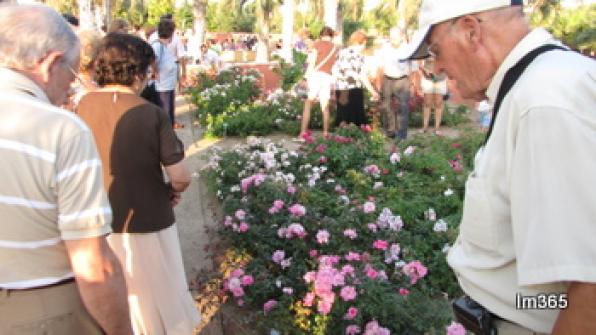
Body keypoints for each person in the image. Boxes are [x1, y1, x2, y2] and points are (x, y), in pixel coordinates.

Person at [403, 0, 596, 334]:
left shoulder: (544, 99)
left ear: (470, 31)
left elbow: (589, 292)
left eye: (435, 51)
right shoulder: (536, 85)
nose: (436, 67)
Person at [0, 4, 132, 334]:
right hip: (40, 308)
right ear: (50, 63)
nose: (70, 88)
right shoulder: (60, 129)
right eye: (72, 74)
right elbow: (93, 265)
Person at [77, 32, 201, 335]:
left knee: (115, 295)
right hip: (148, 216)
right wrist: (172, 192)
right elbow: (181, 176)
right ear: (136, 71)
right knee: (156, 294)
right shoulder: (150, 113)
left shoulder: (78, 109)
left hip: (95, 220)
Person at [332, 30, 380, 128]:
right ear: (363, 42)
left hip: (341, 88)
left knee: (343, 116)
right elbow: (362, 75)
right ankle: (353, 139)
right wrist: (373, 91)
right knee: (355, 118)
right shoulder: (359, 56)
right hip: (354, 89)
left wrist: (334, 87)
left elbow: (334, 70)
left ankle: (341, 138)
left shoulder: (341, 52)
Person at [376, 27, 418, 139]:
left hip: (402, 80)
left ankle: (402, 134)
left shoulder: (408, 48)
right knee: (386, 106)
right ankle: (390, 131)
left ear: (401, 37)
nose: (393, 39)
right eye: (391, 37)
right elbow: (380, 67)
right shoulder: (384, 48)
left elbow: (414, 69)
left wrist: (413, 85)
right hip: (387, 79)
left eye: (395, 37)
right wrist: (379, 83)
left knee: (403, 108)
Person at [300, 26, 339, 138]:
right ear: (331, 36)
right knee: (325, 106)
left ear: (321, 35)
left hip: (316, 76)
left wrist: (305, 78)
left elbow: (312, 62)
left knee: (308, 103)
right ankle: (325, 133)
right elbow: (335, 66)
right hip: (327, 77)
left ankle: (303, 133)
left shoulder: (316, 45)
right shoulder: (335, 48)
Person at [151, 19, 184, 128]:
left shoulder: (163, 46)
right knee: (165, 117)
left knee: (168, 116)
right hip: (162, 88)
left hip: (167, 86)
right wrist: (155, 72)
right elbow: (153, 60)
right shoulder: (158, 46)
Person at [419, 58, 448, 134]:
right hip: (428, 79)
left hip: (441, 78)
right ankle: (425, 127)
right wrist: (424, 69)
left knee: (438, 104)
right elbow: (420, 62)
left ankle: (437, 128)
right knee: (427, 103)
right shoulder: (426, 48)